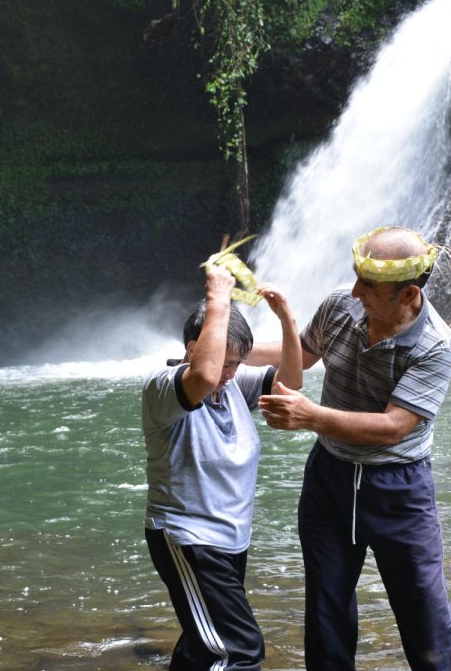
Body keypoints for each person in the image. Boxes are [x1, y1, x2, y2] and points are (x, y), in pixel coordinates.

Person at [250, 226, 451, 670]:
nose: (355, 291)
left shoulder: (436, 346)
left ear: (408, 294)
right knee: (326, 607)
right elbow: (303, 354)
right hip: (328, 478)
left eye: (368, 286)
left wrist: (311, 416)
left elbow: (393, 427)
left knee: (423, 612)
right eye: (356, 278)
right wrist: (227, 350)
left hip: (398, 490)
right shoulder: (340, 305)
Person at [142, 262, 303, 670]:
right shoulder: (165, 388)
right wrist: (218, 297)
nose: (228, 374)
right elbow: (204, 376)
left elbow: (292, 381)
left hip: (230, 539)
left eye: (237, 364)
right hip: (189, 537)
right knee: (238, 650)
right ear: (193, 348)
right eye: (224, 363)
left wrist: (286, 318)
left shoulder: (234, 387)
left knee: (204, 645)